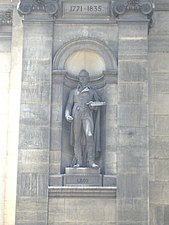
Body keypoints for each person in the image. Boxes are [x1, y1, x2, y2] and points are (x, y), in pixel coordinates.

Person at [65, 69, 104, 168]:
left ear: (88, 78)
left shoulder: (92, 91)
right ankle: (79, 161)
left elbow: (99, 103)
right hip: (76, 114)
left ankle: (91, 160)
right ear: (78, 78)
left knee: (89, 135)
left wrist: (93, 105)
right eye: (80, 77)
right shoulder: (73, 91)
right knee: (77, 138)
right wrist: (67, 114)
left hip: (87, 114)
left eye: (84, 76)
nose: (82, 78)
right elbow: (69, 104)